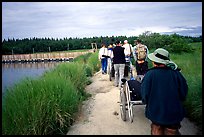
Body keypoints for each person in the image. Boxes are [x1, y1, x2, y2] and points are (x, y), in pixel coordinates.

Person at [141, 48, 188, 135]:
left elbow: (144, 94)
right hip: (174, 112)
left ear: (154, 62)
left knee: (156, 129)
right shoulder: (177, 74)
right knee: (172, 131)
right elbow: (183, 93)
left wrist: (147, 103)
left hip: (156, 111)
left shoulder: (150, 74)